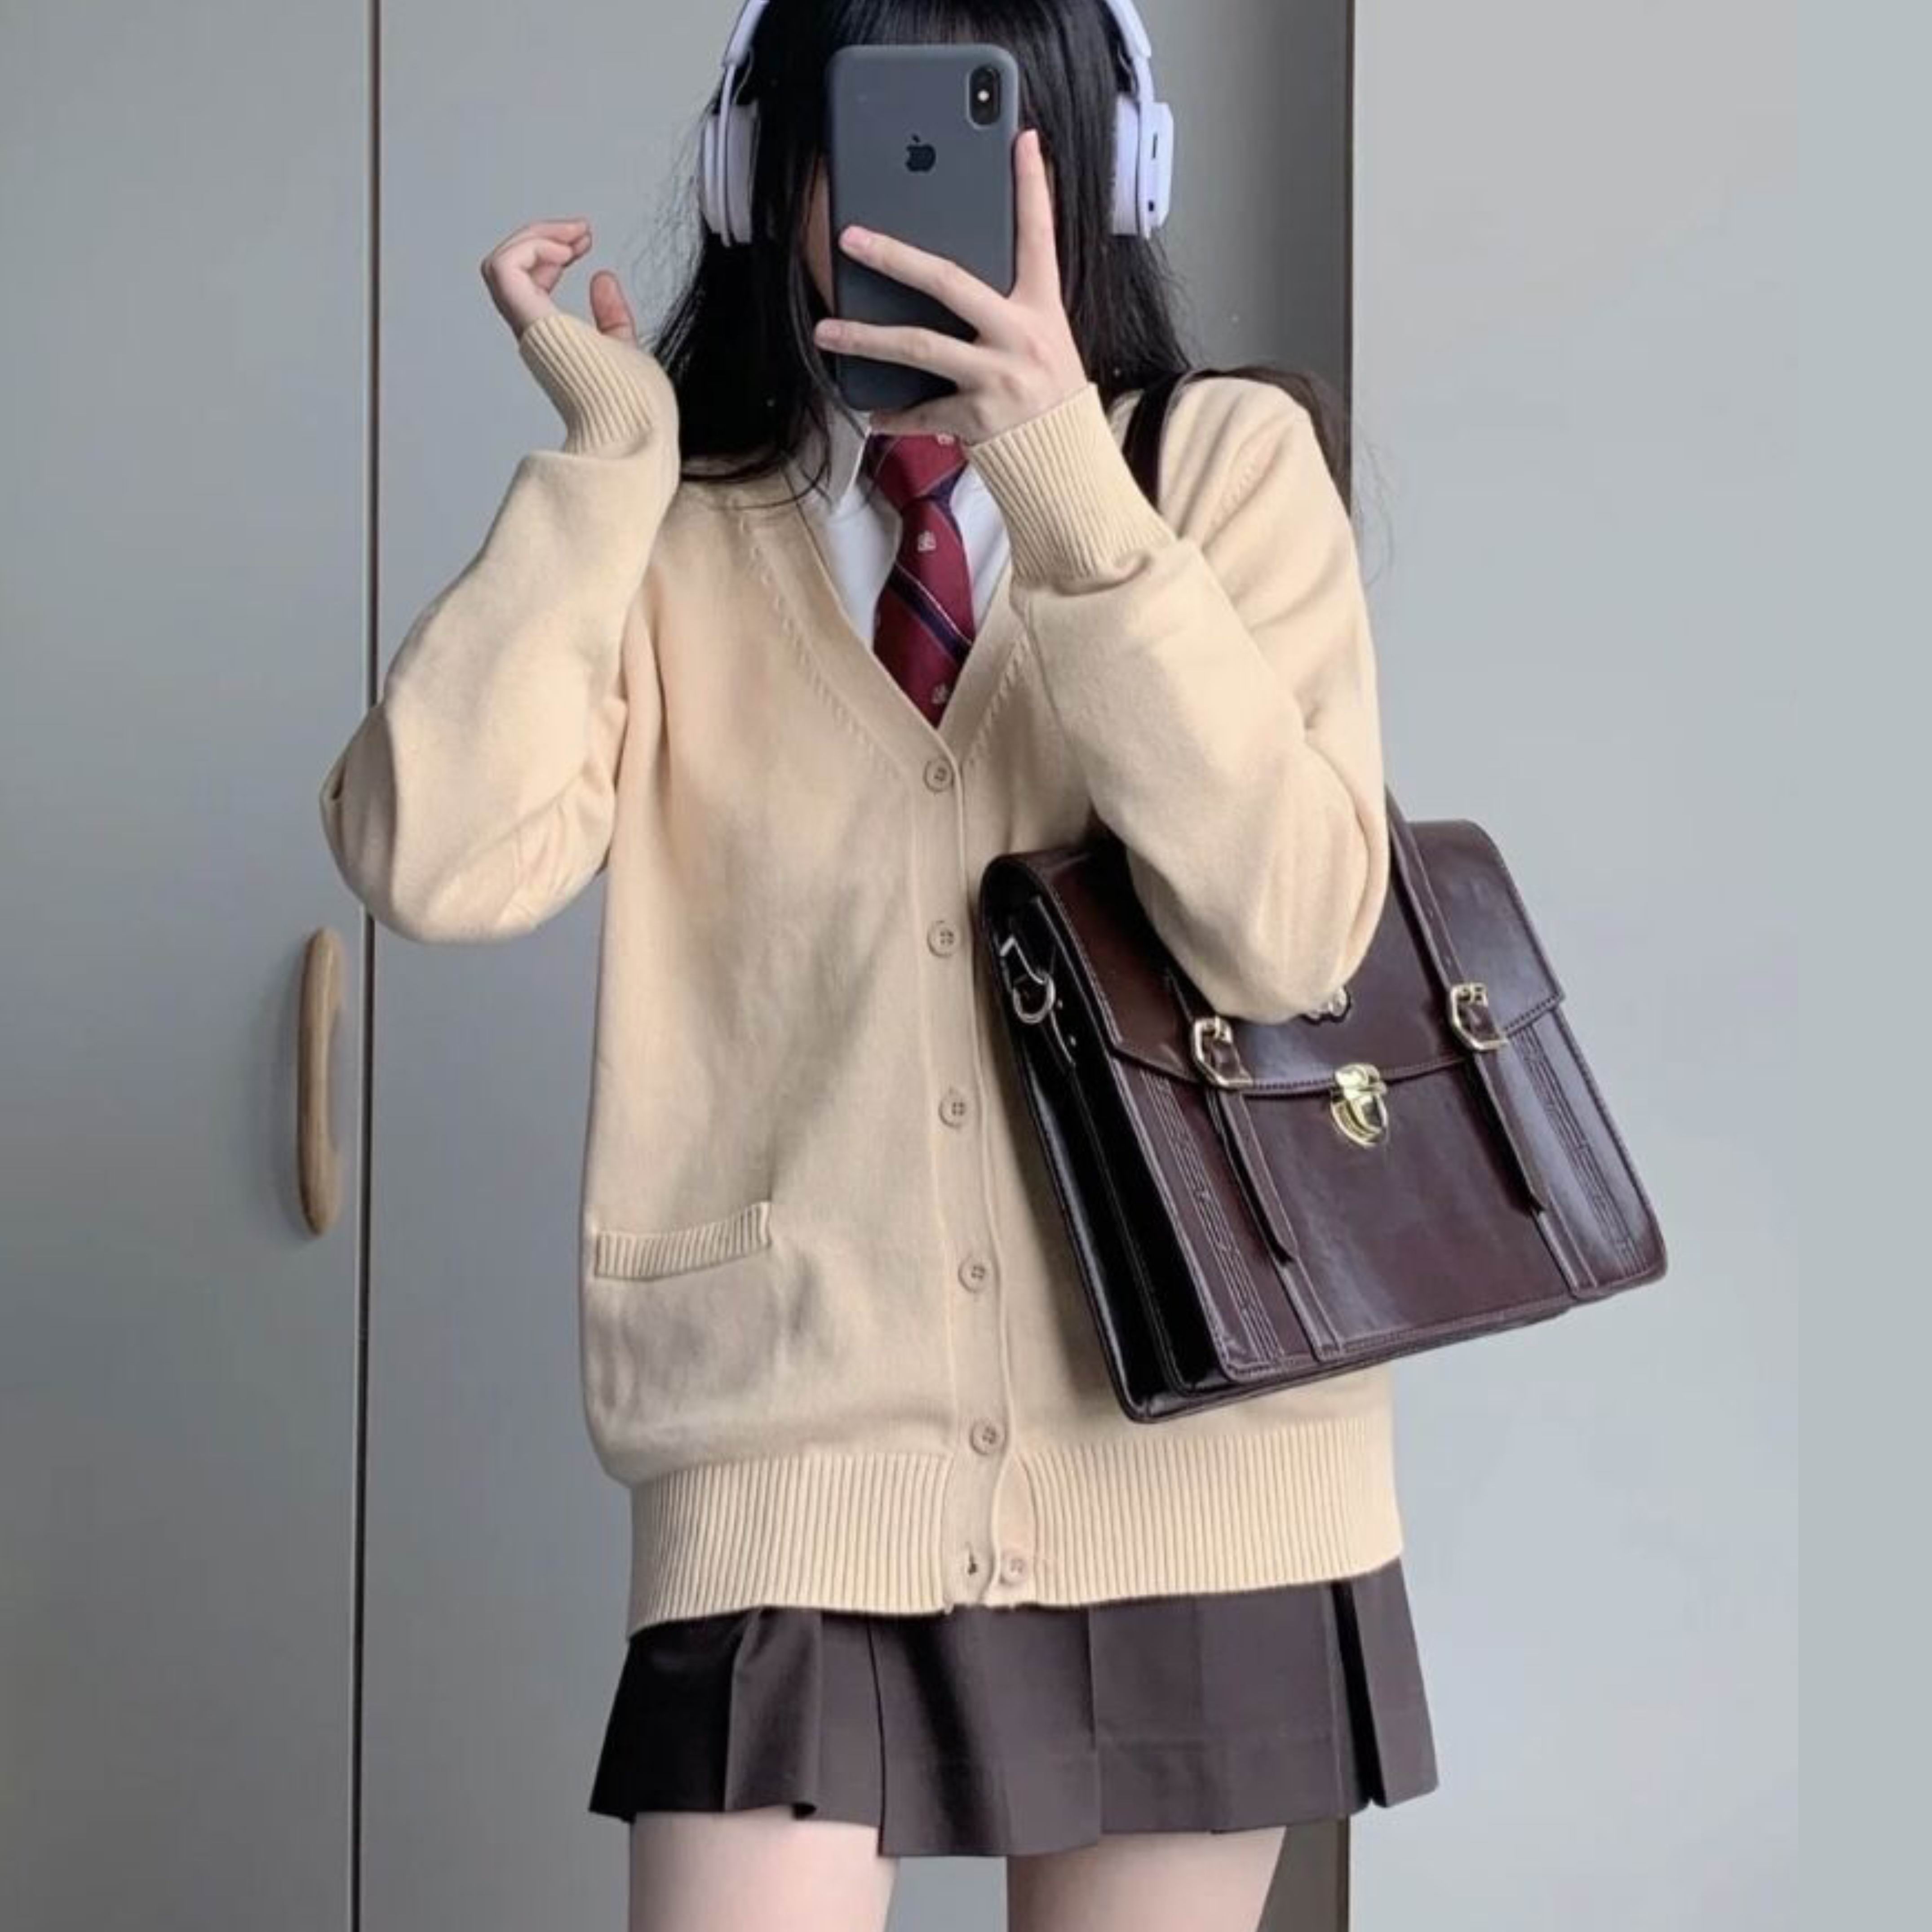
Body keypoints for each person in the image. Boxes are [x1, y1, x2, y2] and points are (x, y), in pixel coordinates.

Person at [318, 2, 1438, 1927]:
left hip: (1195, 1456)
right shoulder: (671, 529)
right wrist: (604, 469)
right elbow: (428, 856)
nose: (917, 199)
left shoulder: (1221, 470)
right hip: (791, 1448)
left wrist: (1062, 477)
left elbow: (1288, 927)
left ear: (1101, 176)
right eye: (867, 130)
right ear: (766, 176)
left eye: (988, 134)